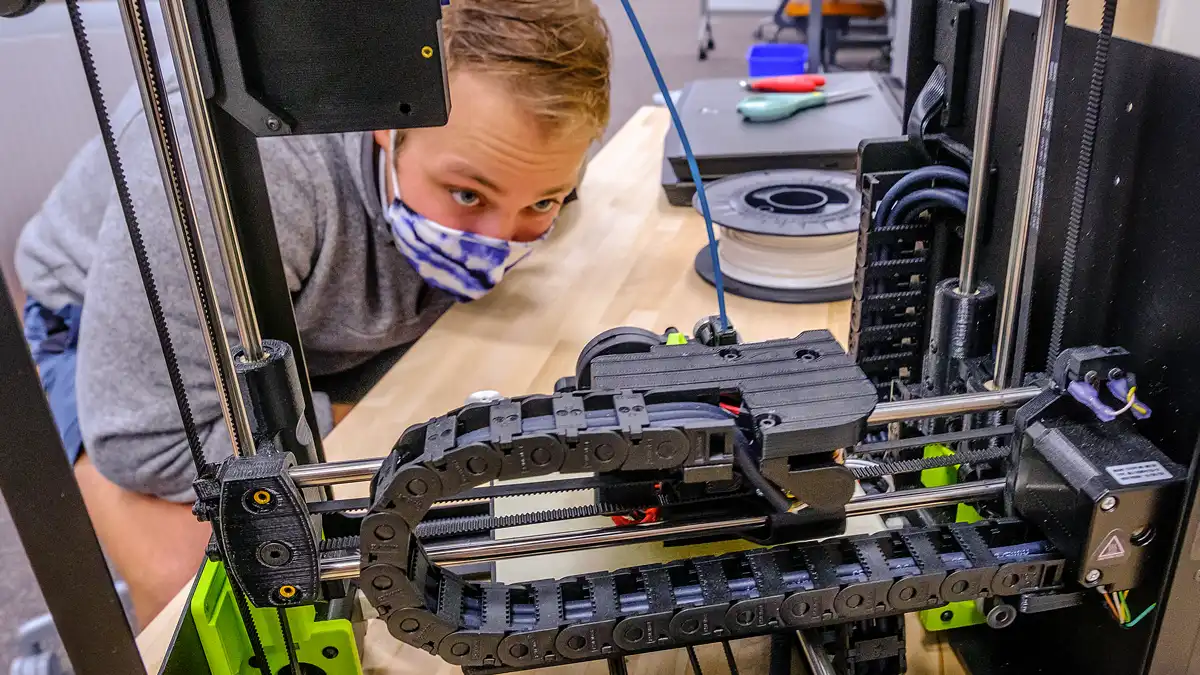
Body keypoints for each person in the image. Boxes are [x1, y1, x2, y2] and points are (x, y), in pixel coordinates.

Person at [16, 0, 610, 627]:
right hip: (118, 352)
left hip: (311, 331)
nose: (496, 244)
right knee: (235, 595)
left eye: (541, 202)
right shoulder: (251, 176)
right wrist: (367, 421)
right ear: (388, 122)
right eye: (468, 194)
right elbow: (147, 443)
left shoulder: (522, 146)